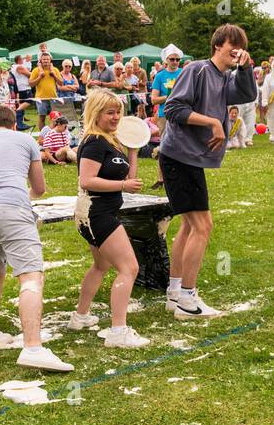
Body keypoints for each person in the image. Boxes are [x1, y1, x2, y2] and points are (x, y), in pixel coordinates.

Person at [0, 106, 73, 371]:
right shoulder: (25, 139)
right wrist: (26, 197)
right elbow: (39, 188)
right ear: (14, 125)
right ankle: (33, 347)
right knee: (31, 276)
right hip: (10, 206)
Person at [160, 23, 257, 320]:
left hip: (190, 160)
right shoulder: (198, 70)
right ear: (218, 45)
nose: (237, 50)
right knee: (203, 227)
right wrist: (213, 122)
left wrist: (245, 68)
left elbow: (245, 94)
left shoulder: (225, 76)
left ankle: (175, 293)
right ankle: (188, 300)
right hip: (179, 157)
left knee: (189, 227)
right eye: (233, 45)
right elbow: (173, 109)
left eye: (241, 47)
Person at [68, 90, 149, 347]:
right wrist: (123, 188)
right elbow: (87, 180)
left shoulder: (111, 141)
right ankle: (118, 331)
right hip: (96, 212)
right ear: (96, 113)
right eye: (109, 112)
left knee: (101, 266)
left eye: (118, 112)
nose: (116, 117)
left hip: (99, 212)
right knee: (129, 268)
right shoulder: (94, 142)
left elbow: (128, 180)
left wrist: (133, 153)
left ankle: (80, 316)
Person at [148, 47, 184, 186]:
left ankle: (180, 176)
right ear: (166, 60)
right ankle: (161, 178)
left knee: (181, 146)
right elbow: (153, 99)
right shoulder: (160, 76)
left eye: (177, 59)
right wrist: (168, 96)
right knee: (164, 147)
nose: (175, 62)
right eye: (172, 59)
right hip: (165, 115)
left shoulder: (183, 73)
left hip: (181, 114)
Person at [29, 52, 64, 131]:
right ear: (40, 60)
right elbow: (31, 84)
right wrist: (39, 77)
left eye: (47, 59)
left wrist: (54, 75)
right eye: (44, 59)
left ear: (50, 60)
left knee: (55, 118)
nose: (46, 61)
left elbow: (61, 83)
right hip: (41, 98)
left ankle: (53, 134)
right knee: (42, 117)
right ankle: (43, 135)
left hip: (53, 97)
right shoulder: (36, 70)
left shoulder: (55, 70)